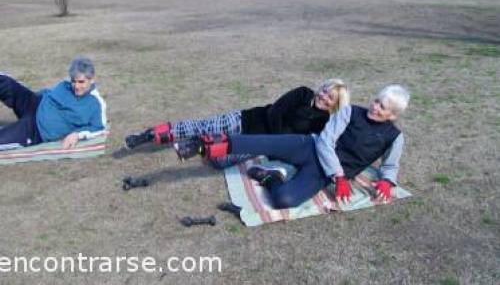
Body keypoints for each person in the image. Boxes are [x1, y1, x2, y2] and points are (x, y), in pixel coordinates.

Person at [175, 84, 410, 209]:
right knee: (264, 141)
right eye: (377, 100)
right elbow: (327, 140)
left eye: (383, 107)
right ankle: (203, 145)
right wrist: (339, 176)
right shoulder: (350, 112)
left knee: (284, 200)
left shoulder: (394, 137)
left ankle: (270, 179)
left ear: (392, 115)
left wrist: (387, 182)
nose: (375, 107)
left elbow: (391, 164)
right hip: (310, 147)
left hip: (321, 172)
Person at [125, 79, 350, 168]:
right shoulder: (303, 93)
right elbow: (275, 112)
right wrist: (278, 141)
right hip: (247, 120)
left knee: (219, 163)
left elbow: (307, 145)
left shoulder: (324, 123)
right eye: (325, 91)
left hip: (254, 144)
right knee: (203, 126)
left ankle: (198, 144)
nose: (324, 96)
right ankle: (150, 135)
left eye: (330, 97)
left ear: (335, 105)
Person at [0, 57, 107, 150]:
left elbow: (99, 128)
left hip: (36, 130)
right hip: (35, 103)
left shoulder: (96, 104)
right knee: (6, 82)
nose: (76, 86)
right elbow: (49, 93)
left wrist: (77, 135)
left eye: (81, 82)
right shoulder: (66, 83)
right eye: (74, 81)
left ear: (92, 80)